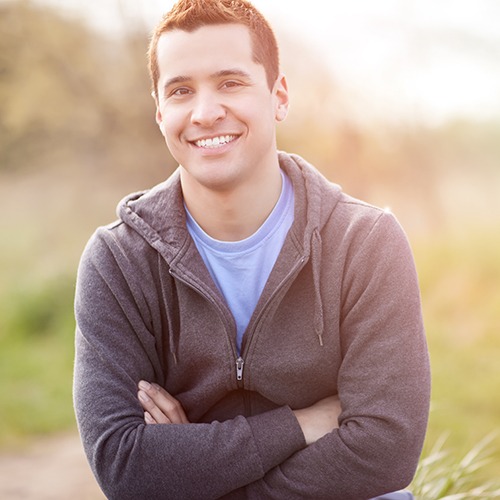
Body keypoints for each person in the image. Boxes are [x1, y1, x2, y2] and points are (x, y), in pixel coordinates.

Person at [73, 1, 431, 498]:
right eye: (181, 91)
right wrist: (302, 425)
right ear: (160, 112)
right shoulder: (118, 261)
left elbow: (386, 450)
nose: (205, 112)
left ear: (278, 95)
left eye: (230, 83)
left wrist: (193, 472)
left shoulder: (366, 242)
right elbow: (124, 465)